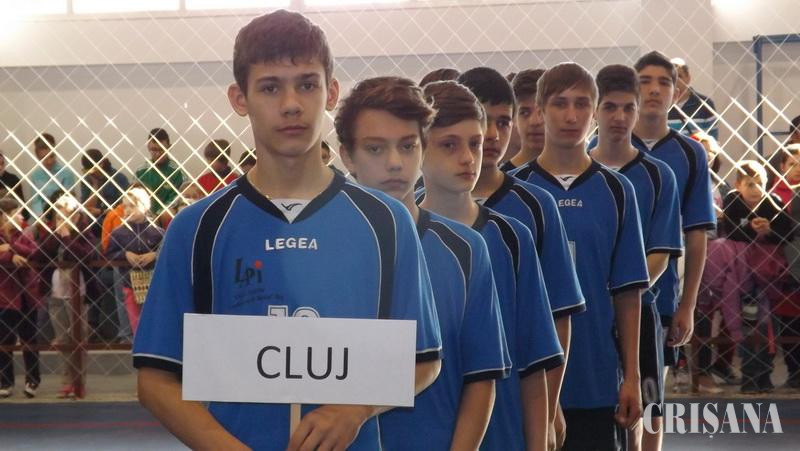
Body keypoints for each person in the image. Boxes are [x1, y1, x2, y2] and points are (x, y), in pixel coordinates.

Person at [133, 10, 441, 451]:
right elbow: (156, 379)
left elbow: (423, 360)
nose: (291, 103)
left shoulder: (386, 223)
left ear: (331, 92)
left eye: (307, 84)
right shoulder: (197, 229)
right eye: (270, 87)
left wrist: (355, 409)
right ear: (239, 98)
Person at [336, 75, 509, 450]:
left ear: (423, 146)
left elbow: (481, 376)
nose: (395, 163)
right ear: (347, 155)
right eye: (375, 149)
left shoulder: (466, 250)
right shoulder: (322, 248)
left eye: (407, 146)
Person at [511, 62, 648, 450]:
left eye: (582, 104)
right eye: (559, 103)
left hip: (594, 376)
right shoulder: (515, 191)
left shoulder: (618, 191)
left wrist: (632, 376)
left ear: (594, 110)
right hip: (526, 376)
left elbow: (627, 293)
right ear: (540, 110)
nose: (571, 116)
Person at [420, 80, 562, 451]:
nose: (468, 158)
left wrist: (539, 438)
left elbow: (534, 361)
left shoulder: (512, 237)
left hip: (504, 434)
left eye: (475, 143)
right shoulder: (398, 234)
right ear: (418, 146)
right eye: (449, 145)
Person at [458, 66, 584, 450]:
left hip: (512, 405)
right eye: (483, 121)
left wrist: (550, 406)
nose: (492, 135)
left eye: (503, 122)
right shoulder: (414, 209)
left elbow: (556, 316)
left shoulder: (535, 205)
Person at [588, 64, 683, 451]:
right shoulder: (577, 173)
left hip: (640, 311)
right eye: (610, 107)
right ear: (595, 110)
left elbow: (661, 252)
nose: (619, 117)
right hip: (586, 314)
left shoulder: (659, 176)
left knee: (647, 408)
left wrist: (624, 289)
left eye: (628, 107)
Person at [632, 51, 716, 397]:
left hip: (664, 292)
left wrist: (688, 305)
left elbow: (697, 234)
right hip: (607, 293)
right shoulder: (601, 149)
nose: (654, 89)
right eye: (644, 81)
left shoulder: (691, 154)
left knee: (651, 395)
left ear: (677, 92)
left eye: (664, 82)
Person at [721, 160, 792, 393]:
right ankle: (750, 375)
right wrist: (751, 229)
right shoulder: (734, 203)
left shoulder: (773, 202)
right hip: (742, 276)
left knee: (767, 326)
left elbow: (787, 232)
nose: (756, 190)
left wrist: (769, 231)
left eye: (760, 183)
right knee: (748, 324)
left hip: (768, 277)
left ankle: (764, 374)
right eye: (750, 184)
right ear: (738, 186)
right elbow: (730, 231)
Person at [38, 191, 96, 399]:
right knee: (62, 339)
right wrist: (56, 234)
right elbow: (40, 254)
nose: (62, 219)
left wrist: (67, 236)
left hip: (78, 293)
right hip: (56, 292)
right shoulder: (51, 232)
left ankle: (79, 382)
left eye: (66, 214)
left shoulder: (84, 232)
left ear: (76, 215)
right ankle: (66, 381)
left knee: (79, 337)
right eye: (59, 214)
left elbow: (85, 256)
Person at [105, 187, 164, 335]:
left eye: (132, 206)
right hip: (129, 283)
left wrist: (155, 255)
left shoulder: (157, 232)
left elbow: (168, 250)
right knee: (135, 322)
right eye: (125, 206)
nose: (127, 210)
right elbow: (109, 253)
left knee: (154, 318)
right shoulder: (118, 233)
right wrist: (125, 254)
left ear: (144, 206)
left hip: (154, 284)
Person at [0, 198, 40, 399]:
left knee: (29, 338)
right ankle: (5, 381)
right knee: (4, 339)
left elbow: (34, 251)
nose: (21, 217)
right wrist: (10, 256)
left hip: (26, 294)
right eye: (16, 213)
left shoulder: (24, 233)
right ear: (4, 216)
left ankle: (33, 379)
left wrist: (10, 249)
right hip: (5, 295)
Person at [502, 69, 546, 172]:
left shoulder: (578, 173)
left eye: (542, 112)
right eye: (525, 113)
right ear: (513, 118)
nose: (535, 122)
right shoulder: (500, 178)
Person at [135, 128, 184, 215]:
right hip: (144, 215)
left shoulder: (177, 171)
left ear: (169, 147)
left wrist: (158, 214)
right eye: (154, 149)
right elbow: (133, 196)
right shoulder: (140, 171)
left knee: (168, 213)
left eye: (162, 149)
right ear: (148, 147)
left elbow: (178, 199)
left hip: (167, 215)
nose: (158, 154)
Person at [28, 133, 78, 220]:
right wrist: (41, 218)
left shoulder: (66, 173)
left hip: (63, 215)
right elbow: (36, 201)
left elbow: (69, 200)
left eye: (51, 156)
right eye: (44, 158)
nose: (49, 161)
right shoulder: (35, 175)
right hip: (42, 217)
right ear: (38, 158)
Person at [668, 58, 718, 140]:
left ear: (688, 78)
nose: (676, 81)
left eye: (679, 76)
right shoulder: (661, 105)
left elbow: (712, 140)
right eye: (671, 77)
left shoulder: (705, 104)